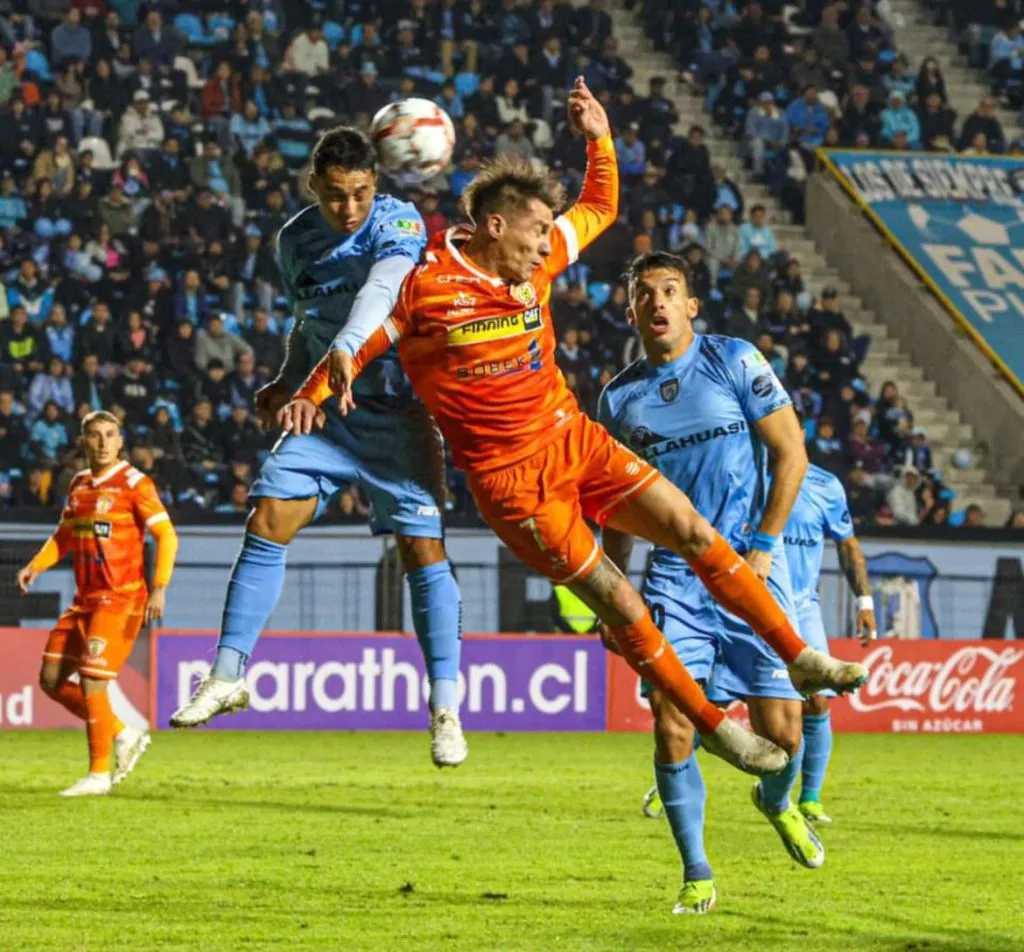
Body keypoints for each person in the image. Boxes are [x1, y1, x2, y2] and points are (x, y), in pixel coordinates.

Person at [284, 80, 866, 781]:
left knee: (694, 531)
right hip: (514, 486)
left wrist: (599, 138)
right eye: (536, 232)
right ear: (495, 226)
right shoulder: (425, 286)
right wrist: (313, 391)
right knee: (622, 601)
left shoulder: (537, 256)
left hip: (573, 438)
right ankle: (717, 730)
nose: (546, 247)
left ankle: (798, 657)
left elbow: (600, 206)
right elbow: (358, 344)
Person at [169, 126, 468, 770]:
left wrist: (345, 351)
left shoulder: (399, 222)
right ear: (313, 187)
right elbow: (307, 320)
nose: (349, 208)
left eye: (360, 193)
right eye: (335, 195)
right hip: (327, 411)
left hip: (398, 413)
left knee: (421, 550)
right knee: (267, 519)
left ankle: (445, 707)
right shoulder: (294, 240)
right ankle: (227, 675)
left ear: (376, 185)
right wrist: (289, 378)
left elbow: (382, 291)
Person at [600, 251, 826, 915]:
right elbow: (614, 505)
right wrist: (613, 601)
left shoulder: (734, 360)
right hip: (675, 581)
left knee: (785, 738)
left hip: (750, 569)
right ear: (631, 311)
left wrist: (765, 546)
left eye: (670, 290)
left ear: (691, 305)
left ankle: (775, 802)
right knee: (672, 725)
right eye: (645, 293)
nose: (658, 302)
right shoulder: (619, 399)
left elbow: (791, 452)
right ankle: (696, 873)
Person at [15, 410, 177, 797]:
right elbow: (65, 535)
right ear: (83, 441)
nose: (103, 442)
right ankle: (122, 733)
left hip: (121, 599)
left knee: (92, 681)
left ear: (120, 442)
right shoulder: (79, 484)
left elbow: (167, 535)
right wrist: (35, 566)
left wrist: (160, 586)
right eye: (95, 435)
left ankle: (98, 774)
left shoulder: (135, 483)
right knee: (51, 681)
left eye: (110, 434)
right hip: (84, 601)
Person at [781, 465, 876, 825]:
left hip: (803, 607)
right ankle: (674, 779)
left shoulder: (825, 484)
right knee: (716, 699)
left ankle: (810, 798)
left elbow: (847, 544)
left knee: (817, 699)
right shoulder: (748, 467)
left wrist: (864, 602)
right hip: (752, 603)